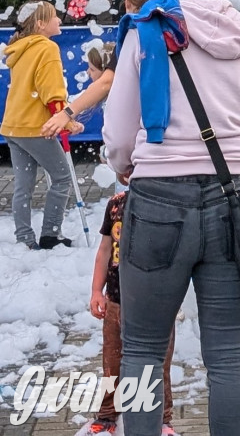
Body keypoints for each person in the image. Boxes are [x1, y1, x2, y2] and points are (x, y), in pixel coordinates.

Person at [102, 0, 240, 436]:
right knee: (230, 353)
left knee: (142, 347)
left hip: (158, 197)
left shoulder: (147, 30)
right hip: (238, 199)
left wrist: (125, 164)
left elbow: (118, 133)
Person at [88, 184, 177, 435]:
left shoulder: (168, 203)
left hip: (156, 303)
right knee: (112, 361)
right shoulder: (116, 204)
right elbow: (104, 250)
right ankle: (108, 413)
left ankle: (162, 418)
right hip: (116, 300)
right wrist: (96, 291)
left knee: (158, 364)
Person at [40, 0, 162, 138]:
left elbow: (106, 82)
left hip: (149, 131)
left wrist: (66, 113)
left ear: (127, 1)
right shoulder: (176, 32)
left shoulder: (134, 37)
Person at [1, 0, 74, 250]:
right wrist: (66, 120)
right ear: (41, 24)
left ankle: (24, 238)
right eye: (54, 17)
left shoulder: (19, 48)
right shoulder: (46, 48)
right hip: (35, 126)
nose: (59, 20)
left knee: (23, 186)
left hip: (13, 125)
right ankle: (51, 234)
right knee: (62, 177)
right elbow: (51, 91)